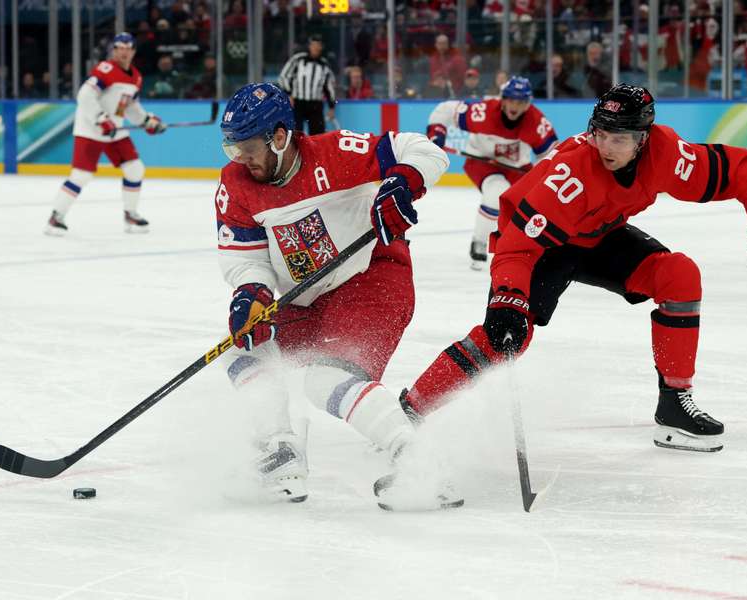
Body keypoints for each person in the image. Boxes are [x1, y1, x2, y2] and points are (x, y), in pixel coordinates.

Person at [401, 84, 747, 453]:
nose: (607, 147)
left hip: (598, 235)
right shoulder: (568, 177)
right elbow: (516, 248)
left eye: (621, 138)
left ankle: (674, 406)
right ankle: (409, 412)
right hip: (540, 247)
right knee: (505, 336)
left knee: (678, 275)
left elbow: (744, 170)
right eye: (601, 134)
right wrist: (507, 300)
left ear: (643, 139)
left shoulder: (666, 154)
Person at [215, 82, 459, 510]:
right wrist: (250, 293)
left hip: (371, 279)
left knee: (325, 378)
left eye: (247, 147)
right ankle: (281, 455)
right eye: (231, 149)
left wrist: (402, 182)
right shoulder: (236, 184)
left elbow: (423, 150)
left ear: (279, 136)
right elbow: (245, 256)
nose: (240, 159)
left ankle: (421, 462)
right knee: (242, 352)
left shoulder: (338, 152)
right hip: (305, 296)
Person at [426, 76, 558, 269]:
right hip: (481, 162)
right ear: (503, 99)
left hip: (517, 168)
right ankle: (480, 241)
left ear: (527, 103)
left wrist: (541, 173)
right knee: (497, 193)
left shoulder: (536, 122)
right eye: (511, 99)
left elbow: (551, 154)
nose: (515, 106)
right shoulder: (483, 112)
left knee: (533, 204)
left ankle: (525, 248)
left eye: (520, 102)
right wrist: (436, 134)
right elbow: (444, 111)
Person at [44, 32, 166, 236]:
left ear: (134, 51)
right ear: (114, 50)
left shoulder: (135, 77)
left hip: (115, 130)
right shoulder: (105, 69)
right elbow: (84, 95)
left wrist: (147, 121)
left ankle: (130, 215)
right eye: (120, 48)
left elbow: (130, 108)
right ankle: (55, 218)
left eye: (128, 48)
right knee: (81, 176)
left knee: (135, 169)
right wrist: (101, 118)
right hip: (90, 129)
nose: (124, 52)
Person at [277, 34, 337, 135]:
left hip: (316, 105)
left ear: (321, 47)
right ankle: (296, 151)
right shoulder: (298, 59)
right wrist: (289, 94)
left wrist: (331, 107)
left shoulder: (324, 64)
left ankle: (315, 151)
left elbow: (329, 87)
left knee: (318, 136)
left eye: (318, 45)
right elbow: (284, 77)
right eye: (313, 45)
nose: (316, 48)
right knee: (295, 134)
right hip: (298, 102)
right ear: (309, 46)